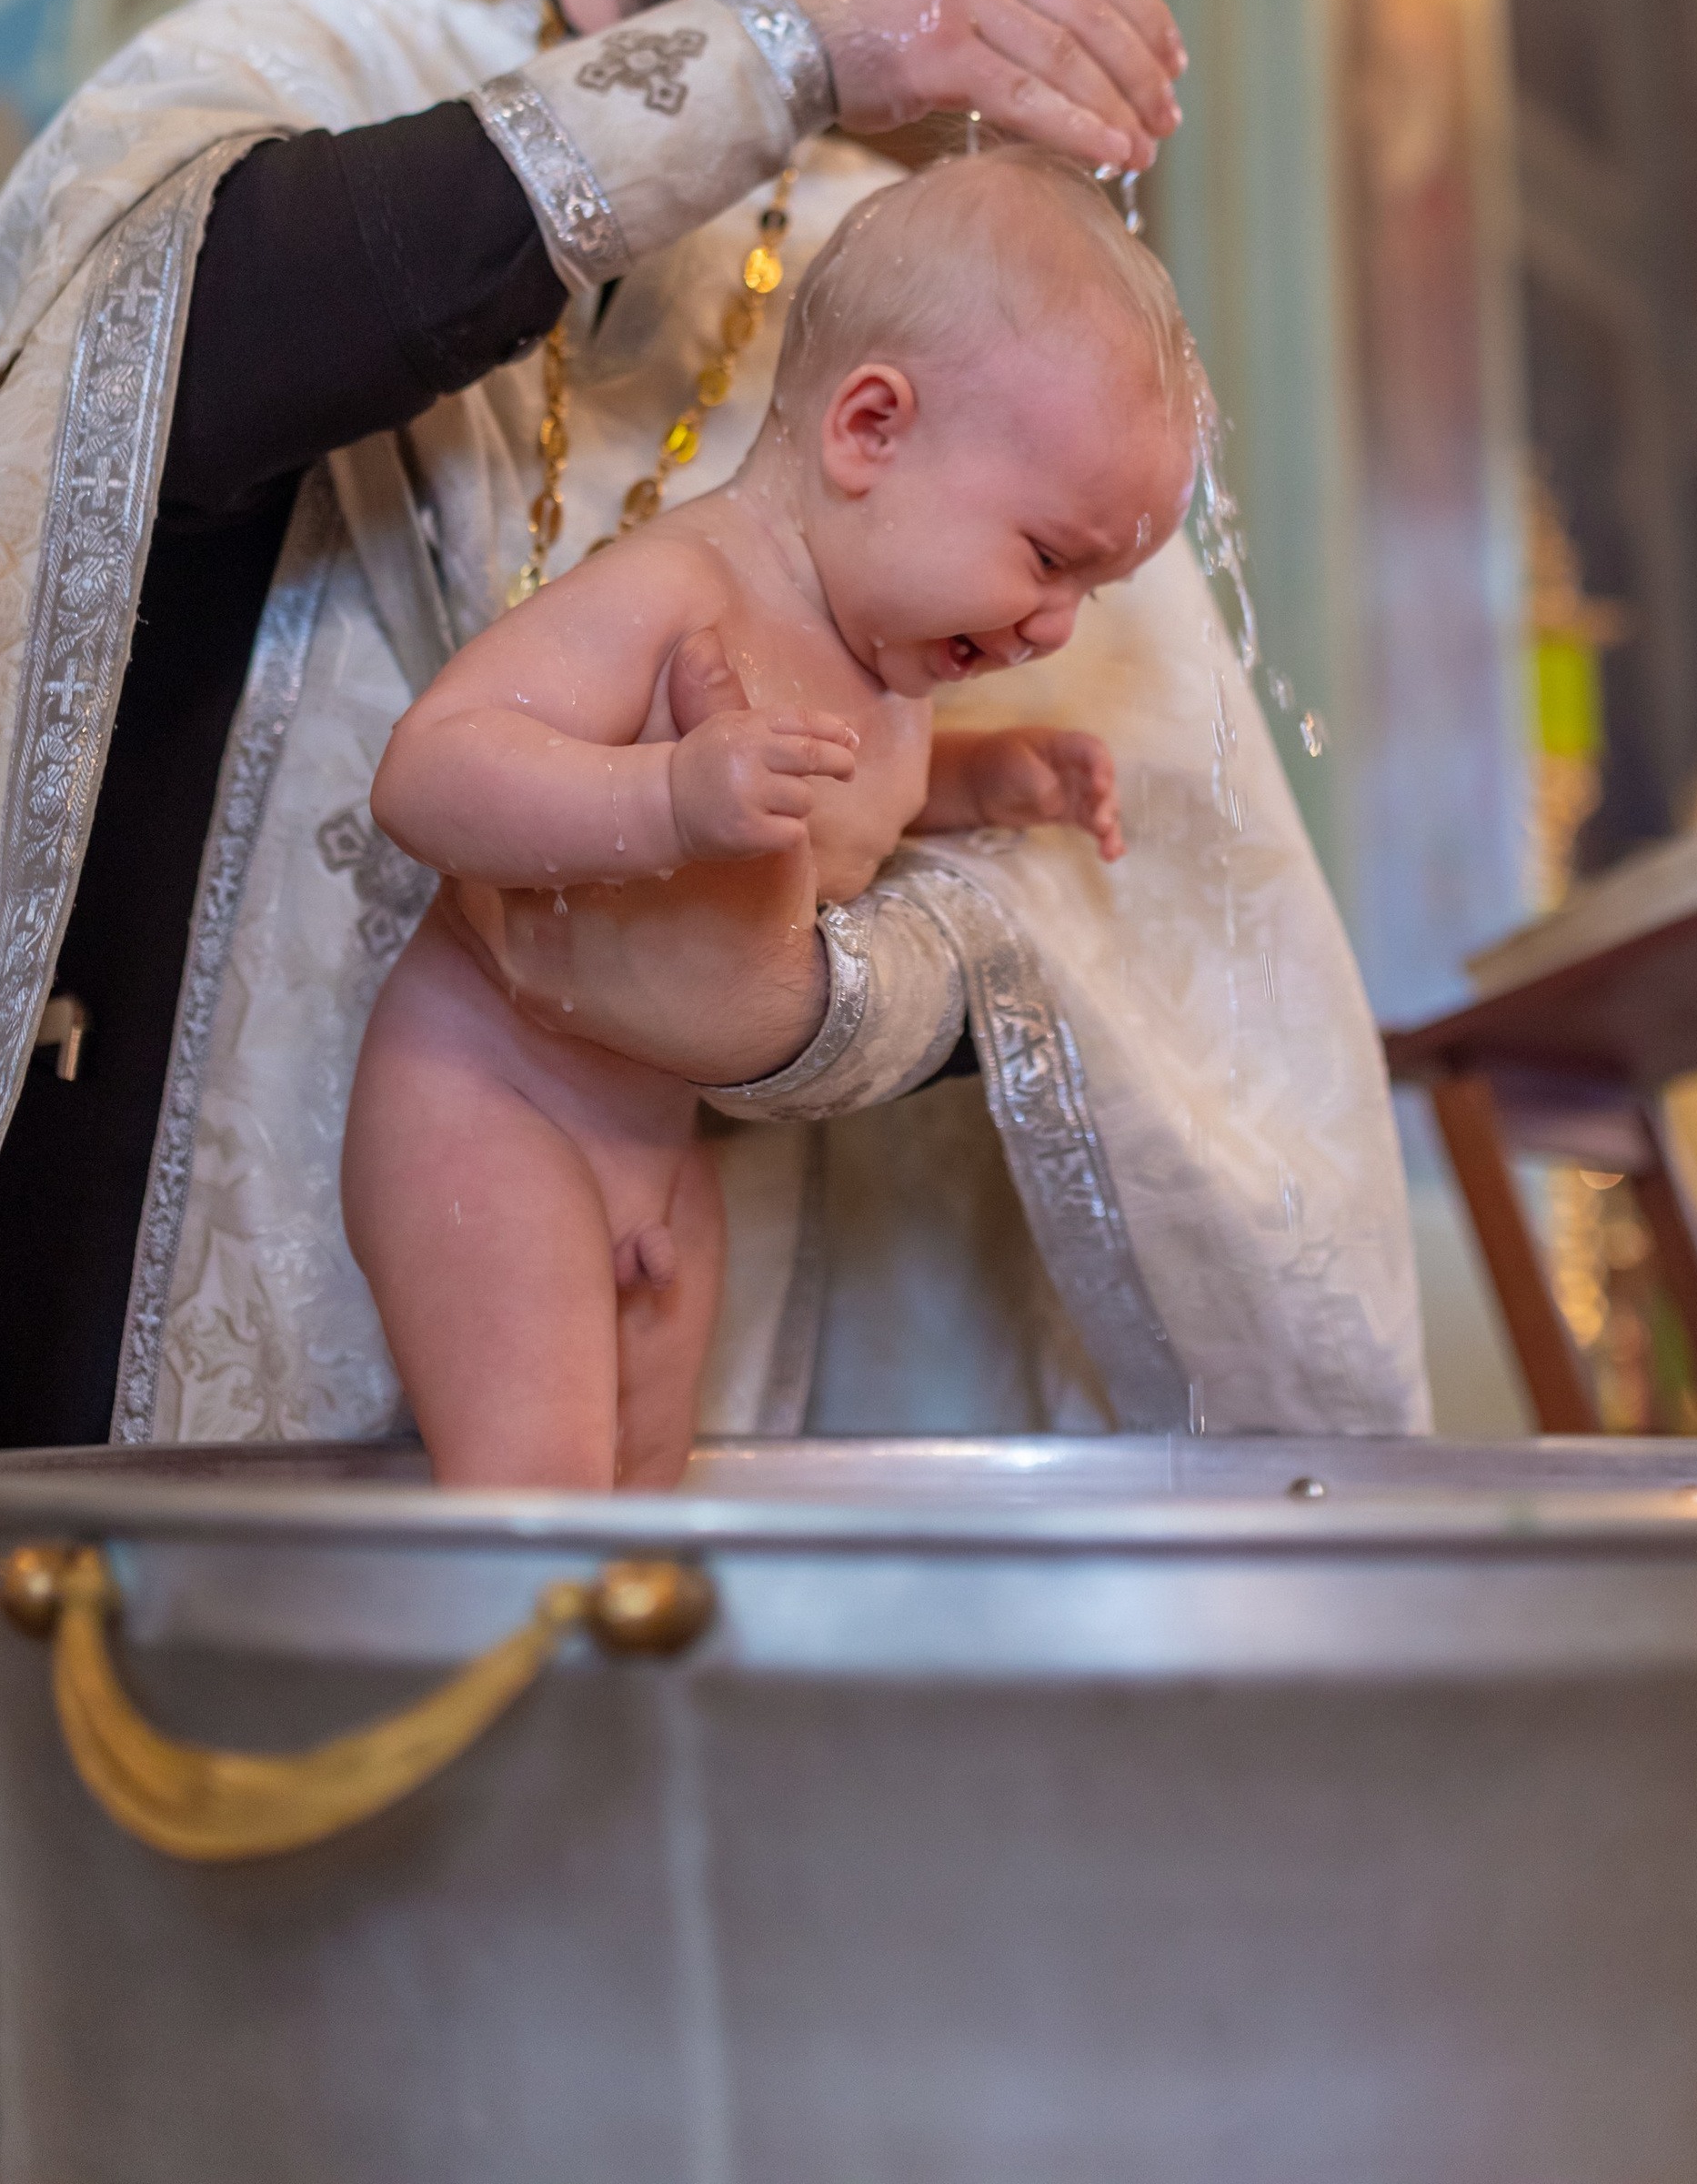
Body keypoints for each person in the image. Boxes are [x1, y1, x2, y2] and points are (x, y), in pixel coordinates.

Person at [0, 0, 1425, 2182]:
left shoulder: (951, 334)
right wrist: (787, 57)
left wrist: (809, 1008)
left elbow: (1106, 928)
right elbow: (143, 387)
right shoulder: (314, 66)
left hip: (667, 1407)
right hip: (154, 1443)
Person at [348, 150, 1194, 1488]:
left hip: (658, 1141)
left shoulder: (893, 650)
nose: (1054, 627)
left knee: (644, 1512)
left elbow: (846, 803)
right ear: (870, 428)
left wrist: (987, 780)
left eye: (1091, 591)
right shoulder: (681, 587)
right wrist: (667, 796)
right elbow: (429, 775)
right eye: (1048, 560)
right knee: (536, 1507)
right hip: (490, 1102)